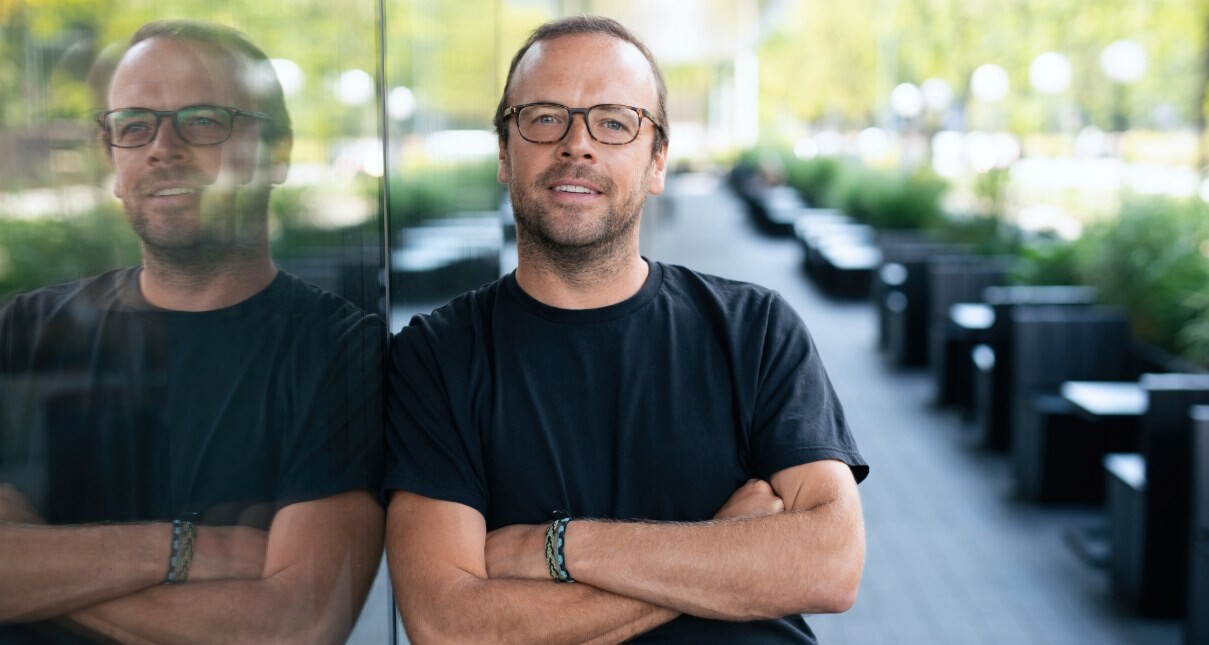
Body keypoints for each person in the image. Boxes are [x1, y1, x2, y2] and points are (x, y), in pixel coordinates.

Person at [384, 15, 868, 643]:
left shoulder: (755, 329)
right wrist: (726, 553)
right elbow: (449, 624)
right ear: (505, 152)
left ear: (657, 160)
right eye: (544, 116)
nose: (576, 144)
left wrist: (559, 547)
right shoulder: (435, 356)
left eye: (614, 122)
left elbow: (829, 565)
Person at [0, 19, 385, 643]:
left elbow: (293, 624)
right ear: (113, 161)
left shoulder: (341, 351)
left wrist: (37, 573)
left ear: (278, 153)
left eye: (203, 119)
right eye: (133, 125)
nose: (162, 147)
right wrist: (182, 549)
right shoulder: (27, 333)